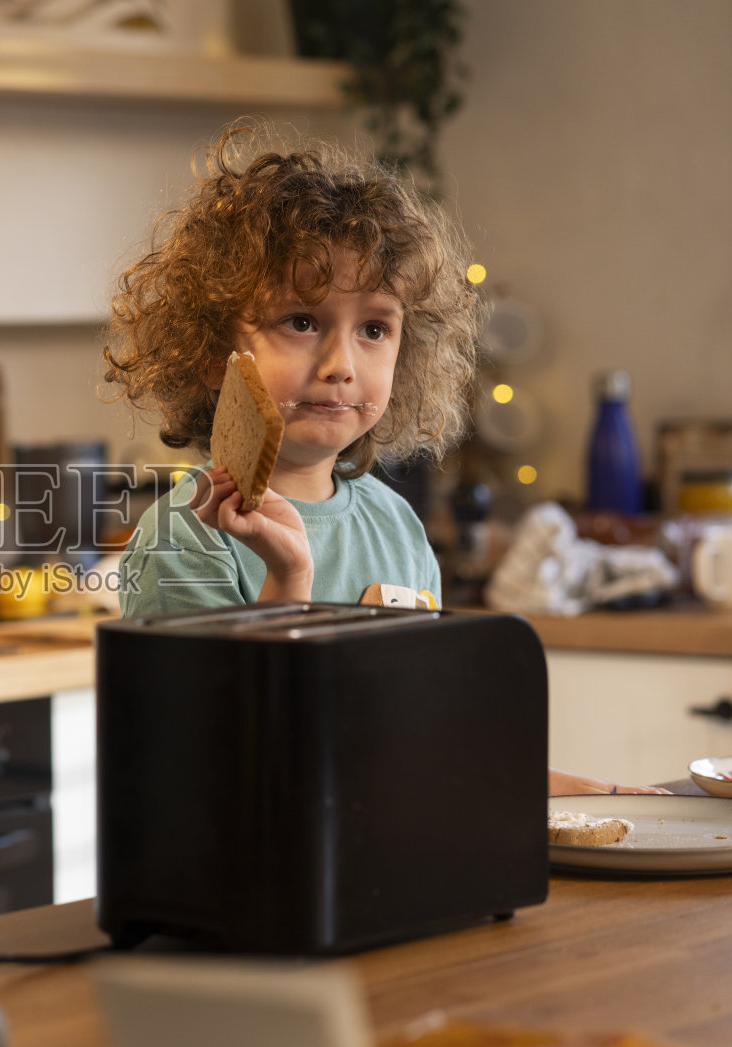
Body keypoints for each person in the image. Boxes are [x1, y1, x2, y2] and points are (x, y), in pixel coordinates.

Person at [102, 124, 664, 797]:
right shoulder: (187, 539)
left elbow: (425, 739)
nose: (342, 365)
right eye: (302, 321)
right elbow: (233, 765)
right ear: (209, 353)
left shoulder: (395, 524)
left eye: (374, 328)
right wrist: (289, 580)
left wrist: (590, 793)